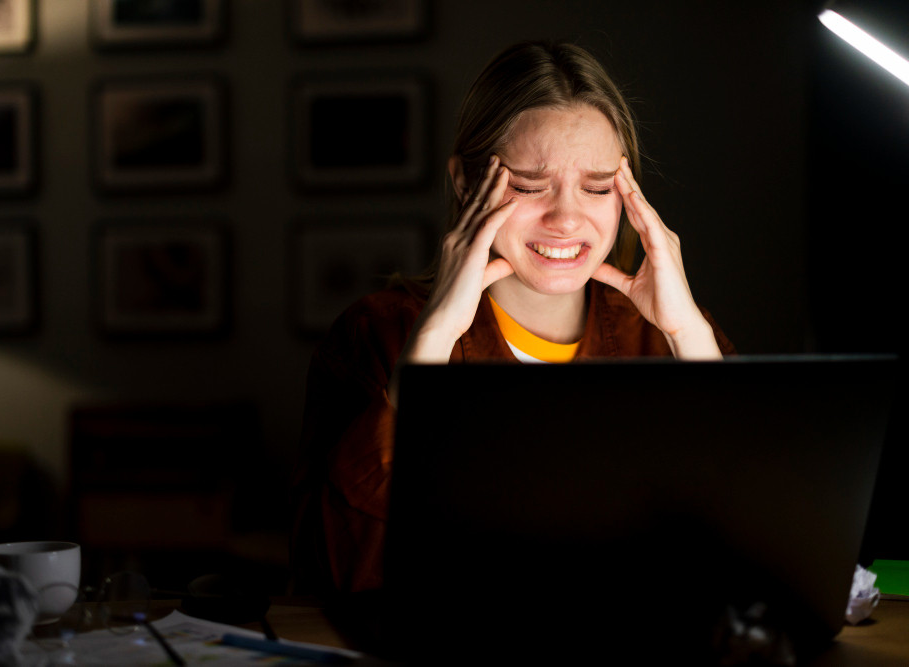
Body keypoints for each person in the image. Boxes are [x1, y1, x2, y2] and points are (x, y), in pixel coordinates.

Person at [290, 40, 734, 596]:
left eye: (597, 188)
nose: (566, 217)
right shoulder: (376, 334)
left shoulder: (671, 337)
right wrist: (431, 345)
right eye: (528, 186)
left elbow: (752, 555)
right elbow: (333, 574)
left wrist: (687, 334)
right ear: (465, 182)